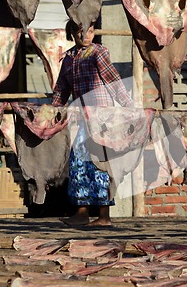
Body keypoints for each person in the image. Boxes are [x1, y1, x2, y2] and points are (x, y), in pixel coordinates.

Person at [52, 20, 134, 227]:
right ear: (72, 33)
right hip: (81, 119)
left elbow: (112, 79)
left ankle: (104, 215)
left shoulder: (99, 52)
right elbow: (62, 89)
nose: (86, 35)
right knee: (79, 163)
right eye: (81, 32)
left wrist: (128, 105)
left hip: (102, 119)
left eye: (90, 31)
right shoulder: (69, 58)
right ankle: (81, 212)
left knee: (101, 164)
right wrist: (54, 111)